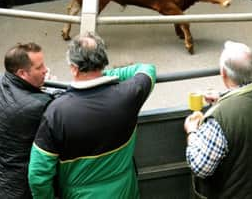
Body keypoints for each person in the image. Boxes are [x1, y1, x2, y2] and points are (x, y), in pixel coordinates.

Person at [28, 32, 156, 198]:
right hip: (125, 190)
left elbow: (38, 176)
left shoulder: (56, 112)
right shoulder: (130, 94)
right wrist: (105, 75)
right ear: (103, 62)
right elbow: (147, 69)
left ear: (74, 68)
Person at [183, 41, 252, 198]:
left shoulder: (217, 120)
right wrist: (222, 98)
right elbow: (251, 101)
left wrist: (192, 132)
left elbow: (200, 167)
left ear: (223, 74)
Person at [0, 43, 54, 199]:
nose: (45, 70)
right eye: (39, 67)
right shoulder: (39, 104)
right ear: (22, 73)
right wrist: (48, 92)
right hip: (19, 189)